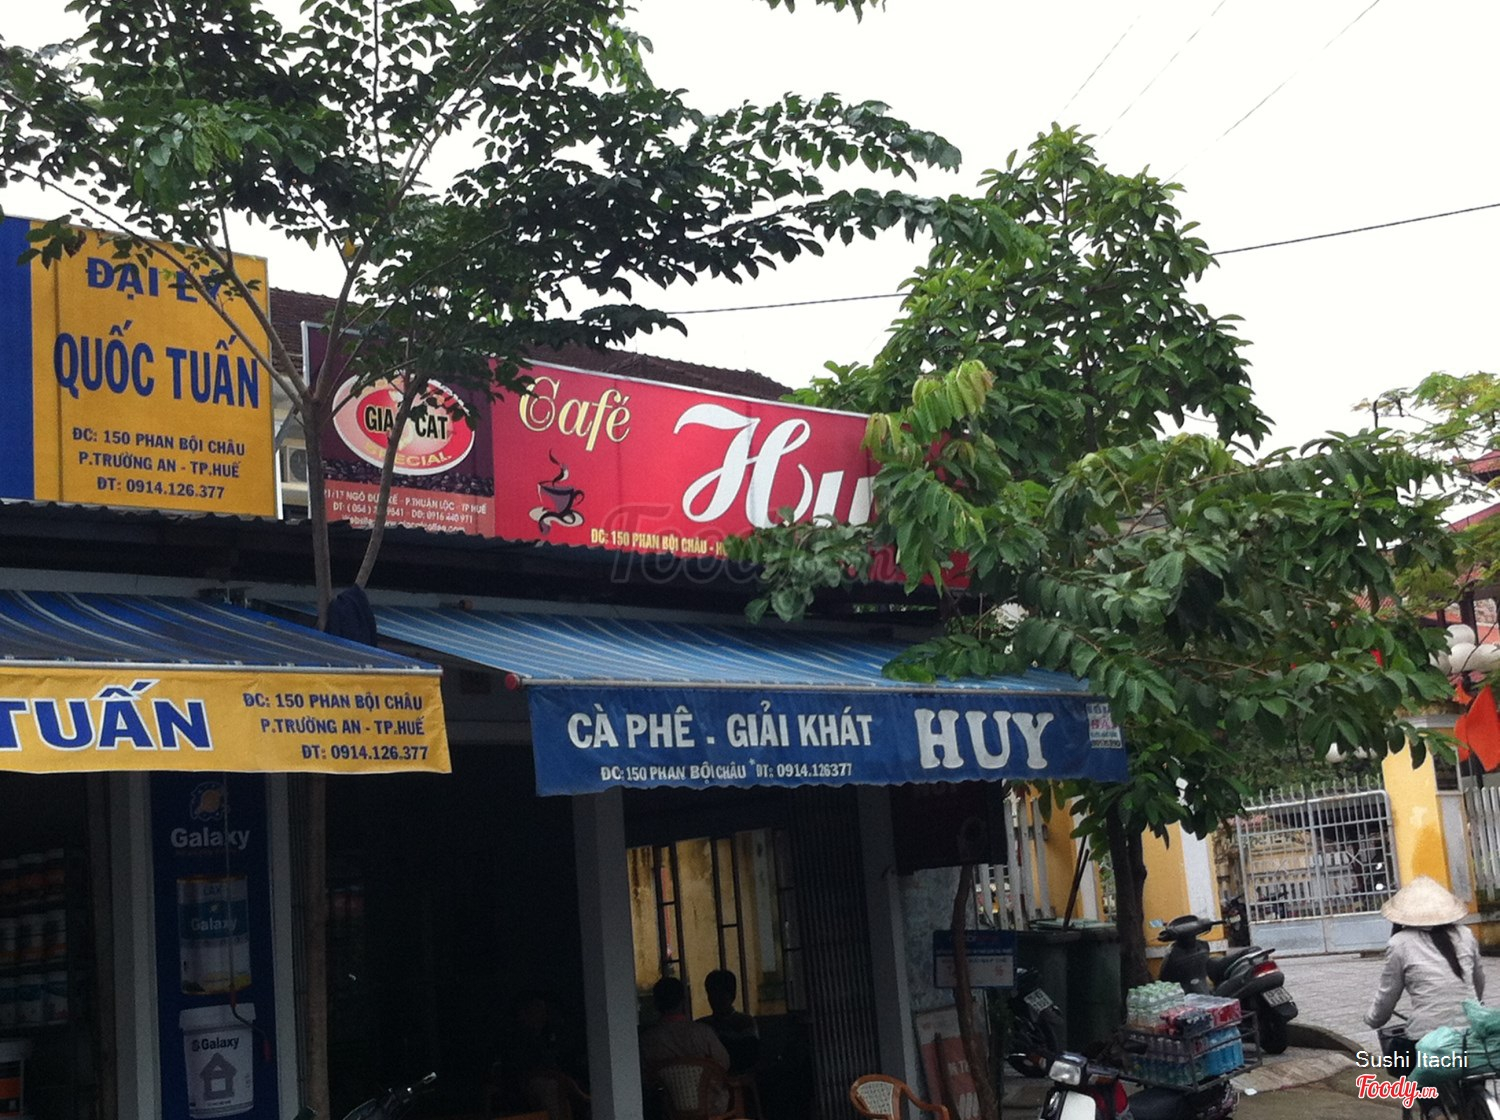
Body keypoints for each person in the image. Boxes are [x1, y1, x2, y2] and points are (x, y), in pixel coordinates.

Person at [1365, 876, 1486, 1038]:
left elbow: (1388, 994)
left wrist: (1372, 1019)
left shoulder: (1399, 943)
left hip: (1427, 1037)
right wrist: (1472, 1008)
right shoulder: (1465, 934)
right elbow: (1478, 981)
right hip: (1473, 1030)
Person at [640, 976, 731, 1113]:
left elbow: (645, 1077)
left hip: (669, 1108)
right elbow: (724, 1062)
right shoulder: (702, 1032)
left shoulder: (648, 1040)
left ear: (656, 1003)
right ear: (683, 1001)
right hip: (711, 1104)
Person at [697, 969, 760, 1075]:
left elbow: (749, 1057)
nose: (715, 1000)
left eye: (720, 994)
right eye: (712, 994)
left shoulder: (702, 1026)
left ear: (732, 995)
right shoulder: (746, 1022)